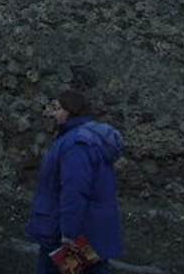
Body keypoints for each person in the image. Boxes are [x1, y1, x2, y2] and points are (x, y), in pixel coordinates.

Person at [27, 89, 124, 274]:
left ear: (69, 111)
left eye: (57, 108)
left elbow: (74, 190)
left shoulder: (76, 143)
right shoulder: (86, 139)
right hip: (91, 231)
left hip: (66, 235)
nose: (52, 113)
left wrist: (69, 233)